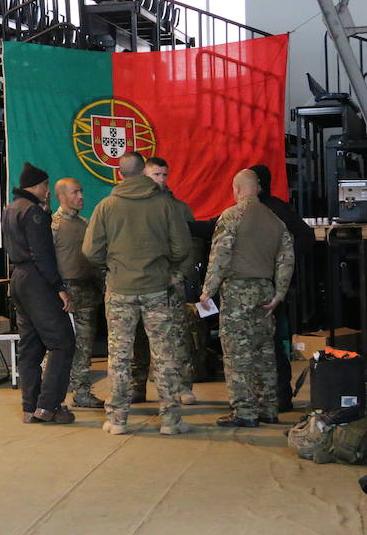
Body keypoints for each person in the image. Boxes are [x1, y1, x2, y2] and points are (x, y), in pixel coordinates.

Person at [83, 152, 194, 436]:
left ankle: (118, 420)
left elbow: (90, 251)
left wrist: (113, 266)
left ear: (119, 173)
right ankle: (171, 420)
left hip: (120, 289)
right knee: (164, 354)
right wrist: (167, 270)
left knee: (119, 356)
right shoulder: (165, 205)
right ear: (144, 173)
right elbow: (182, 248)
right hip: (158, 288)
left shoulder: (107, 206)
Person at [200, 169, 295, 427]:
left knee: (236, 354)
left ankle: (245, 412)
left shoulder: (231, 216)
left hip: (237, 292)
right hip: (265, 293)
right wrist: (279, 294)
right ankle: (269, 408)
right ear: (259, 189)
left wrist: (208, 289)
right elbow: (286, 260)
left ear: (237, 189)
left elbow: (220, 255)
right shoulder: (276, 221)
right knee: (264, 352)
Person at [3, 162, 76, 424]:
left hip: (18, 279)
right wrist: (59, 287)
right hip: (36, 280)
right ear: (35, 185)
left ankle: (29, 408)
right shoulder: (33, 212)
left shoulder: (10, 209)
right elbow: (42, 255)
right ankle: (48, 407)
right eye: (46, 185)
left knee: (30, 346)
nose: (48, 190)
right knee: (62, 342)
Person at [131, 157, 198, 405]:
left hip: (170, 283)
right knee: (138, 335)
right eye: (154, 175)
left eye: (163, 175)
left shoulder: (178, 208)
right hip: (141, 281)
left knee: (177, 335)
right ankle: (136, 385)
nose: (160, 180)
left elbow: (193, 245)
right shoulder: (132, 206)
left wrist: (179, 274)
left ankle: (182, 385)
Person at [249, 164, 314, 412]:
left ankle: (265, 398)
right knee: (275, 342)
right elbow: (306, 238)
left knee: (258, 345)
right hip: (279, 286)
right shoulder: (280, 208)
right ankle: (280, 397)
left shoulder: (257, 211)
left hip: (260, 287)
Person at [52, 177, 105, 409]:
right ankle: (53, 395)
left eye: (81, 191)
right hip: (65, 293)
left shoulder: (85, 224)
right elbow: (46, 263)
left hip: (88, 290)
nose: (81, 196)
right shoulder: (53, 226)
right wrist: (57, 290)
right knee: (60, 346)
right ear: (61, 197)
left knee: (85, 345)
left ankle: (82, 392)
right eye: (75, 192)